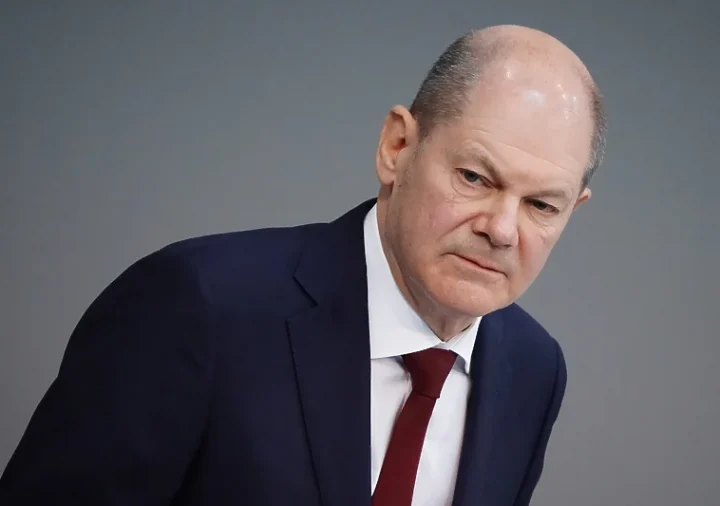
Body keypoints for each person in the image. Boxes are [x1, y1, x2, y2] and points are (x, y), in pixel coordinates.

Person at [0, 24, 606, 506]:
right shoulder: (197, 306)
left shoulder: (533, 368)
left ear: (573, 210)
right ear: (396, 147)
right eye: (474, 177)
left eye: (541, 205)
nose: (501, 229)